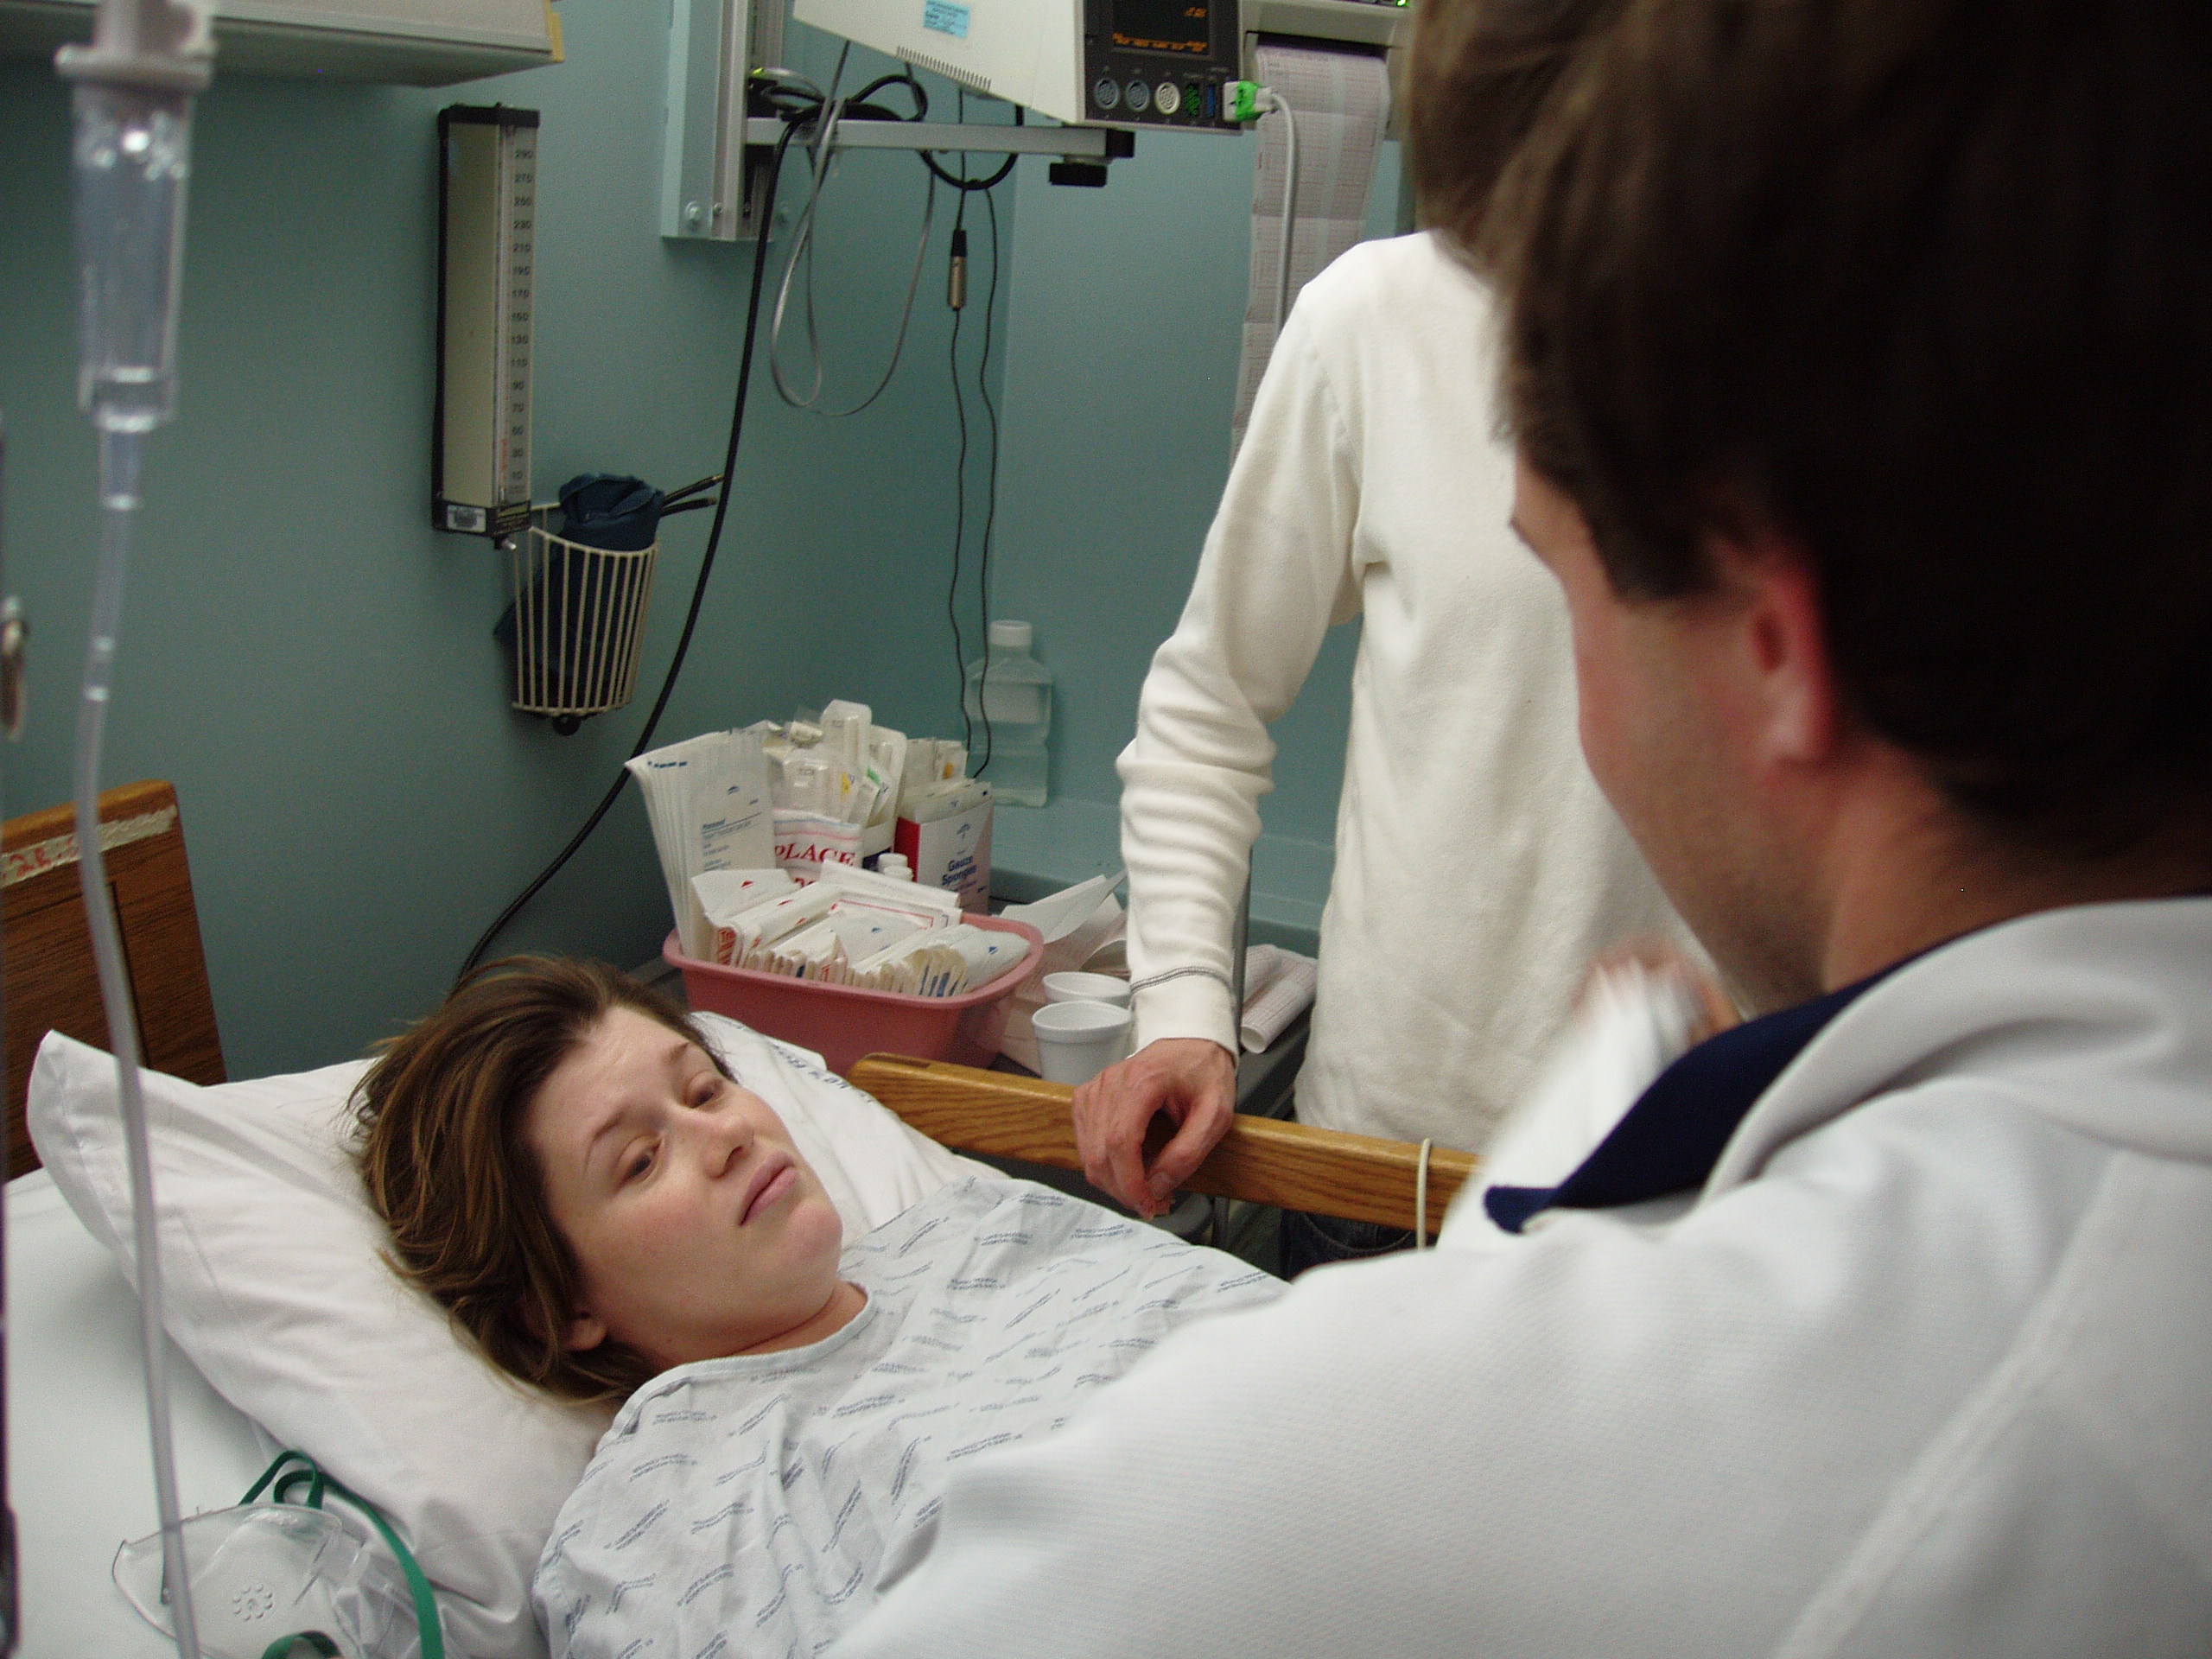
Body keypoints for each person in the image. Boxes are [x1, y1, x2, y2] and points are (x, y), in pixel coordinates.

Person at [826, 0, 2212, 1651]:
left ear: (1779, 642)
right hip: (1415, 1155)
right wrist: (1196, 1012)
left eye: (1572, 574)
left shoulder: (1279, 1479)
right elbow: (1207, 703)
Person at [1078, 0, 1692, 1274]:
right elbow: (1207, 707)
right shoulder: (1378, 316)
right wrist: (1183, 1005)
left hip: (1685, 1185)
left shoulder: (1827, 346)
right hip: (1384, 1169)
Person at [352, 957, 1280, 1656]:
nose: (722, 1134)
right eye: (639, 1161)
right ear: (559, 1310)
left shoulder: (977, 1224)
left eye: (705, 1088)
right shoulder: (657, 1530)